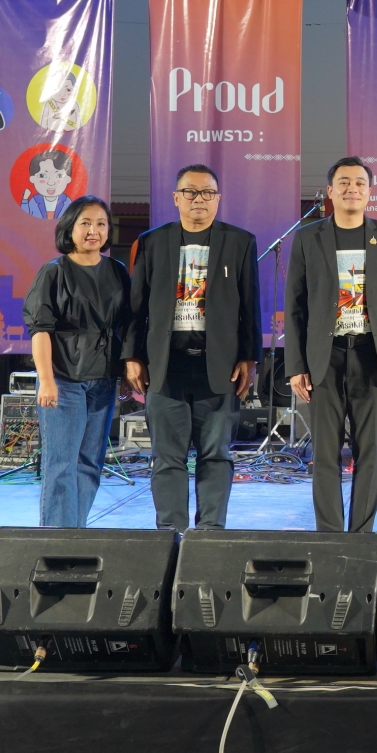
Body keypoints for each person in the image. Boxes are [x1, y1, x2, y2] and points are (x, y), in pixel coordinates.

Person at [123, 164, 260, 531]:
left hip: (220, 367)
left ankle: (210, 533)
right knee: (167, 457)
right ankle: (169, 534)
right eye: (190, 192)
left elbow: (250, 305)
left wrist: (249, 358)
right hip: (165, 365)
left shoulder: (239, 242)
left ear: (218, 198)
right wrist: (132, 355)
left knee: (216, 455)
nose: (199, 199)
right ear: (176, 198)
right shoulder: (152, 242)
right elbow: (136, 306)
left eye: (207, 192)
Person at [285, 157, 377, 533]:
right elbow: (295, 305)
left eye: (359, 182)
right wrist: (296, 365)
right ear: (330, 191)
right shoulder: (308, 237)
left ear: (369, 191)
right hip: (324, 359)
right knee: (325, 453)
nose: (351, 188)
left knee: (369, 452)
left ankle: (361, 537)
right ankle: (330, 536)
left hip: (373, 356)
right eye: (343, 182)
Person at [23, 196, 129, 527]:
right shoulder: (53, 272)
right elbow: (40, 330)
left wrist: (127, 368)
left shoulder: (117, 271)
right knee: (61, 464)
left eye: (101, 224)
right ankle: (57, 539)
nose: (93, 230)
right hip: (63, 378)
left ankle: (77, 533)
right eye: (85, 223)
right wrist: (47, 380)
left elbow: (128, 325)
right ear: (70, 229)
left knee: (90, 463)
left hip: (104, 379)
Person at [20, 148, 76, 221]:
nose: (51, 183)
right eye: (42, 176)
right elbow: (25, 216)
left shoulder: (66, 201)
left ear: (68, 179)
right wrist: (25, 200)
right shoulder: (35, 200)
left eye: (59, 176)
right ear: (33, 179)